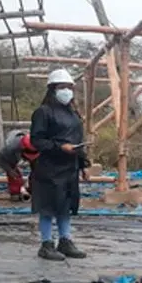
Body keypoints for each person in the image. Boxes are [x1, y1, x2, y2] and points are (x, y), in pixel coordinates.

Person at [29, 68, 91, 261]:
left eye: (69, 87)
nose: (67, 91)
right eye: (62, 87)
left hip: (69, 168)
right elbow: (36, 140)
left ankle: (65, 241)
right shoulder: (43, 112)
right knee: (48, 207)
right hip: (49, 168)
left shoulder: (73, 114)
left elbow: (78, 141)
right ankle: (46, 244)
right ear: (53, 89)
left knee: (65, 206)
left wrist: (83, 165)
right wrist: (59, 147)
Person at [0, 129, 39, 201]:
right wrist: (9, 170)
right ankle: (15, 193)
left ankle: (33, 191)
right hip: (12, 155)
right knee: (14, 174)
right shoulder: (11, 147)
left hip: (36, 155)